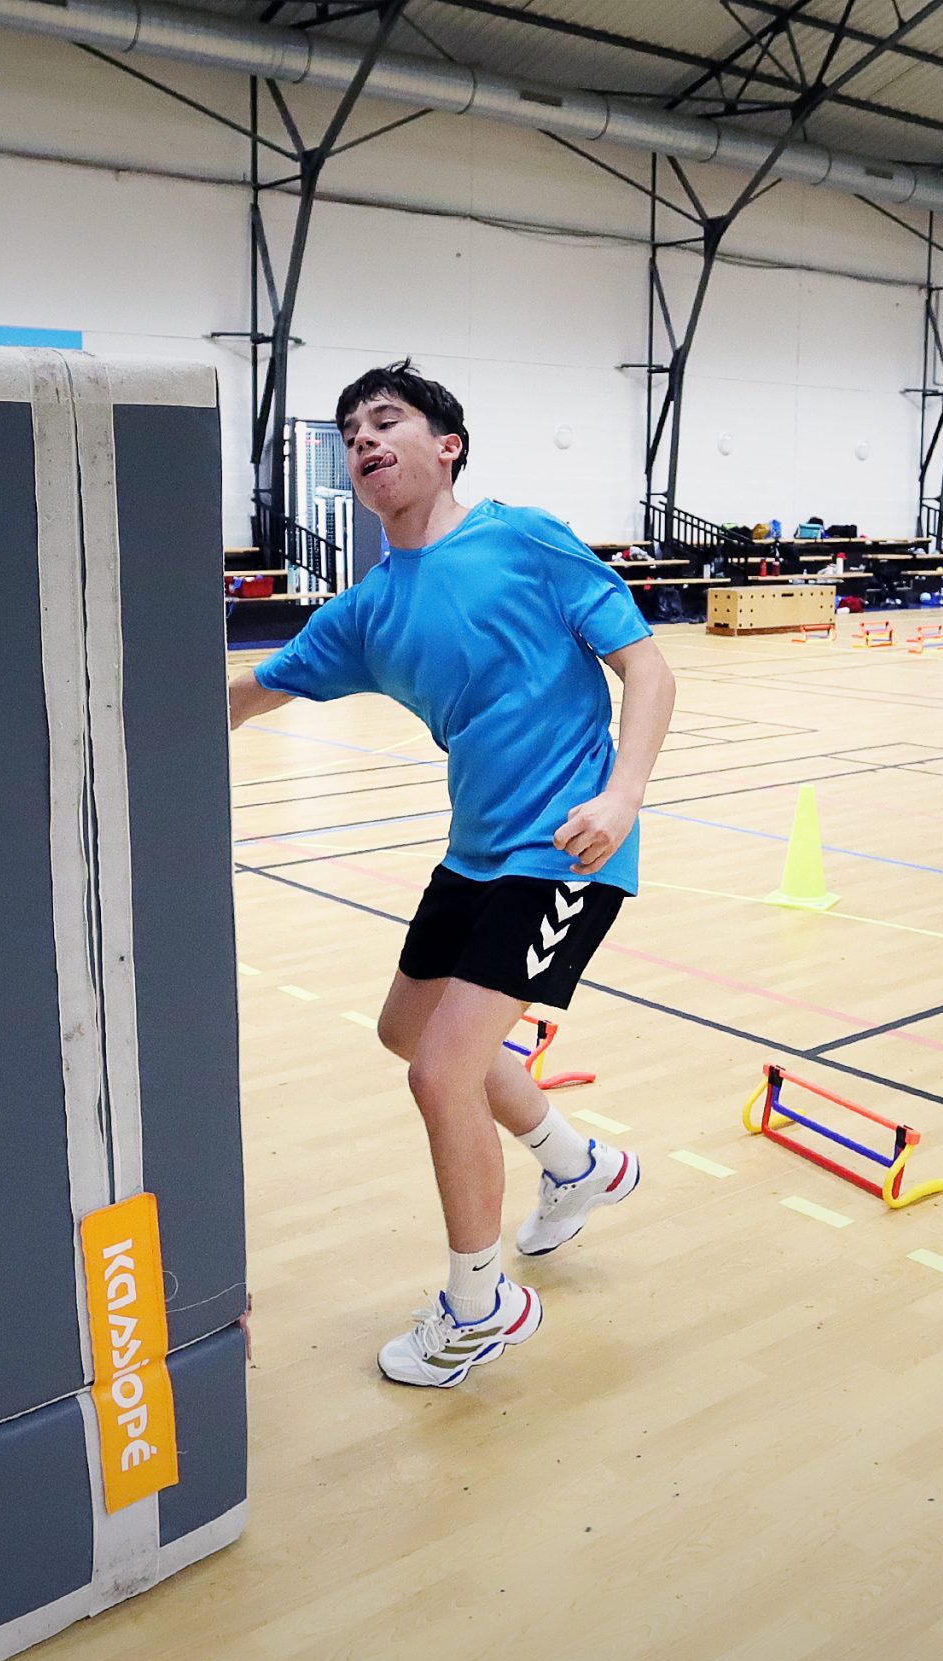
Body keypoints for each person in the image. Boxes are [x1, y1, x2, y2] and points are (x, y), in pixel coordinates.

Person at [225, 361, 677, 1389]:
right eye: (351, 433)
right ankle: (576, 1163)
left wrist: (621, 797)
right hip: (473, 854)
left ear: (447, 444)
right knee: (406, 1031)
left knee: (442, 1072)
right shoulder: (369, 610)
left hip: (565, 849)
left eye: (386, 421)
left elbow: (648, 668)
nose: (364, 440)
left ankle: (479, 1306)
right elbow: (249, 694)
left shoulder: (522, 540)